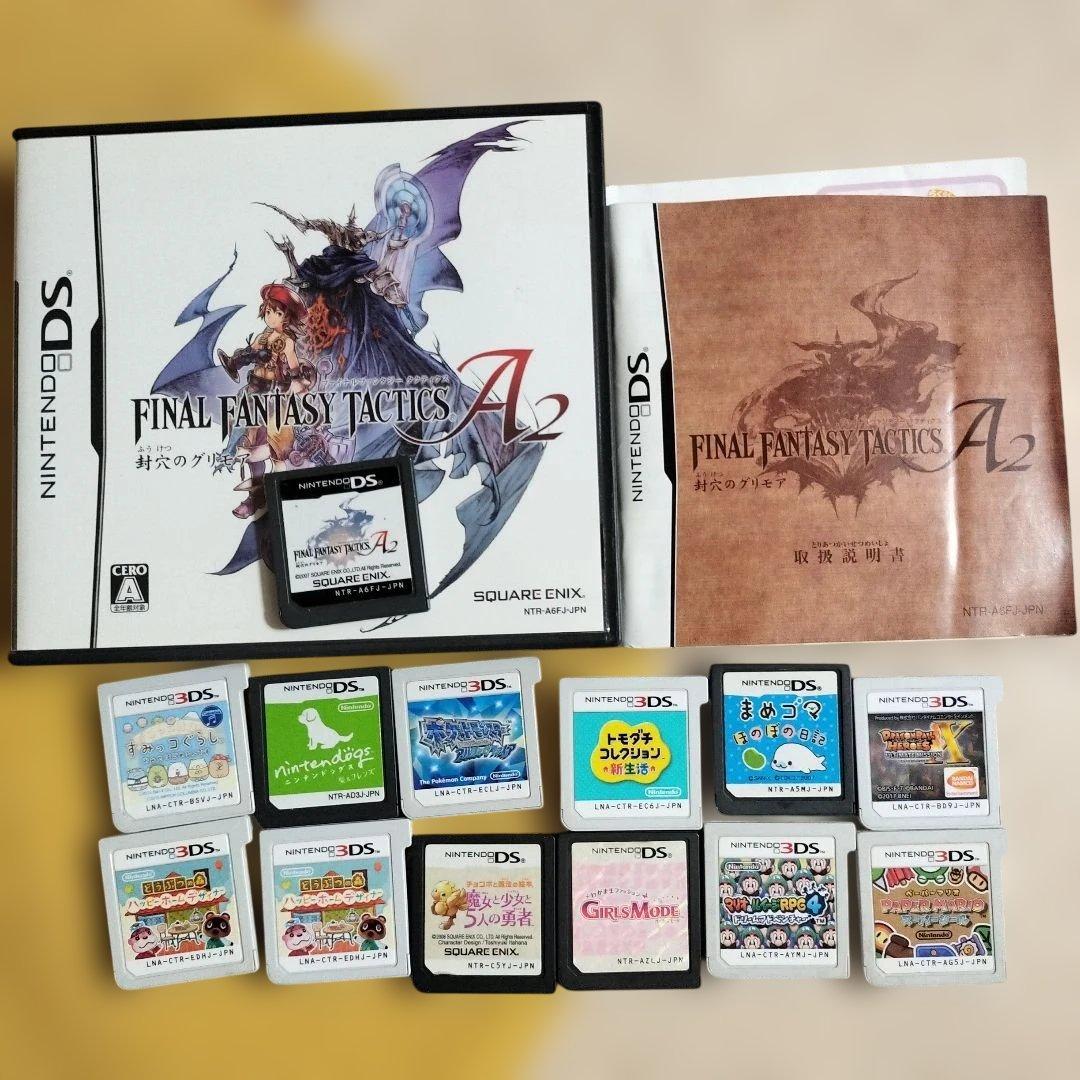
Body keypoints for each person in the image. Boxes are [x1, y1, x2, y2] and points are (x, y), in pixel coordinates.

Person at [218, 283, 315, 518]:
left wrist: (300, 385)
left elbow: (294, 367)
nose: (271, 317)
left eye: (277, 312)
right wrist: (243, 357)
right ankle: (256, 497)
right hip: (254, 393)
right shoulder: (263, 336)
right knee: (249, 444)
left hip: (275, 399)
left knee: (276, 451)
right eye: (268, 311)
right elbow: (249, 353)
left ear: (286, 316)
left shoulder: (287, 341)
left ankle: (280, 498)